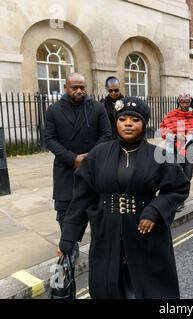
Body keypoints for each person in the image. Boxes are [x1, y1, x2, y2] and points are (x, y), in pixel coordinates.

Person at [58, 96, 190, 298]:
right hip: (106, 234)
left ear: (144, 123)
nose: (128, 124)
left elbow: (178, 188)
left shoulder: (160, 155)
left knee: (148, 291)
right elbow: (81, 199)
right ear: (116, 122)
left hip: (146, 237)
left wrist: (155, 210)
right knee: (108, 289)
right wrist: (68, 239)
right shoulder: (98, 154)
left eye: (135, 120)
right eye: (123, 119)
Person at [45, 72, 112, 260]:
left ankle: (102, 243)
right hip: (66, 168)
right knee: (65, 209)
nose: (79, 90)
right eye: (75, 87)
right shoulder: (54, 110)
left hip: (94, 167)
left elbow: (106, 134)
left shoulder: (97, 108)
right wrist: (73, 159)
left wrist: (91, 157)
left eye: (82, 87)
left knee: (98, 207)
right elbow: (49, 139)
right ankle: (70, 245)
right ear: (66, 88)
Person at [160, 93, 193, 211]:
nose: (184, 105)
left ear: (190, 102)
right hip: (174, 149)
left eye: (187, 102)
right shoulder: (171, 114)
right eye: (182, 102)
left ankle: (181, 197)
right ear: (178, 102)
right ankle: (178, 201)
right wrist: (174, 136)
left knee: (188, 176)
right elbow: (163, 130)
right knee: (176, 175)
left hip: (189, 149)